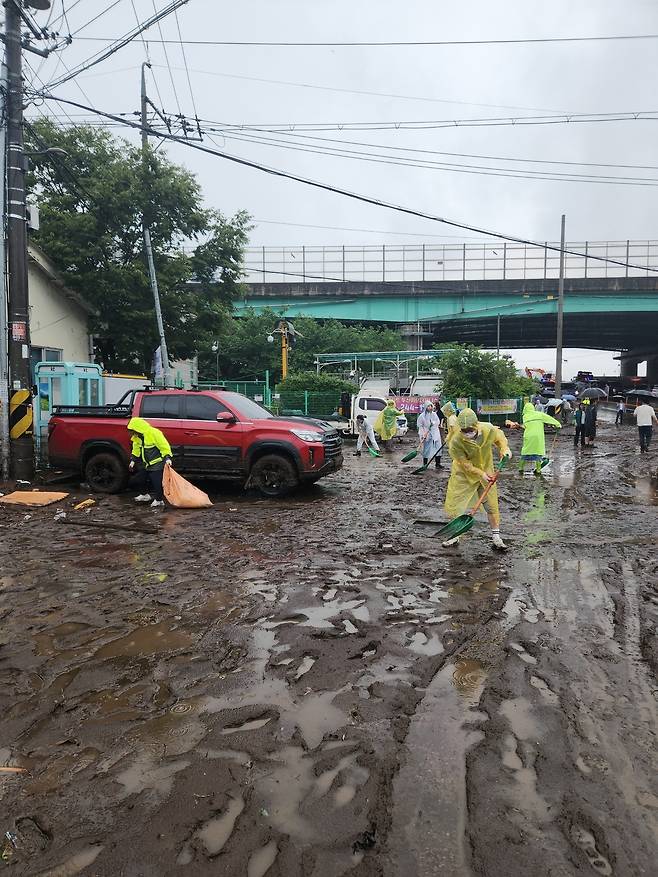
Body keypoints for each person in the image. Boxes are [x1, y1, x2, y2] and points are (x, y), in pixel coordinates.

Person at [442, 407, 512, 551]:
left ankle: (496, 537)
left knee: (491, 505)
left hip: (487, 471)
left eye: (470, 430)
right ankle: (454, 536)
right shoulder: (456, 441)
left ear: (476, 425)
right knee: (457, 503)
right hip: (463, 474)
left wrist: (505, 450)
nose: (467, 433)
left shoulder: (488, 430)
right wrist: (480, 473)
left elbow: (500, 439)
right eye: (464, 431)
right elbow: (465, 464)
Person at [127, 417, 173, 507]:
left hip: (157, 464)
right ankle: (144, 495)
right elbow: (136, 449)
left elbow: (164, 446)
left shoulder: (154, 433)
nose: (131, 433)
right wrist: (133, 460)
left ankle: (159, 500)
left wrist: (167, 458)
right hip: (147, 464)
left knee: (157, 483)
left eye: (132, 430)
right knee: (138, 479)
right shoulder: (137, 437)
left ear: (137, 428)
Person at [518, 402, 561, 475]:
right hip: (538, 436)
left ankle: (521, 468)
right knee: (538, 452)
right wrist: (558, 424)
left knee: (525, 452)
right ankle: (538, 470)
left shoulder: (525, 416)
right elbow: (549, 418)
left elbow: (525, 426)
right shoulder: (539, 414)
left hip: (528, 436)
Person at [417, 401, 444, 468]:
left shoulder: (434, 414)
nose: (430, 407)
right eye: (428, 406)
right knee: (426, 449)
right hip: (427, 434)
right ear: (426, 407)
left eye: (431, 406)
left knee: (438, 447)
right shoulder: (422, 416)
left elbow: (437, 421)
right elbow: (420, 425)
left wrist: (433, 423)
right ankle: (425, 464)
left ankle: (438, 463)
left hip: (435, 433)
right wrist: (423, 434)